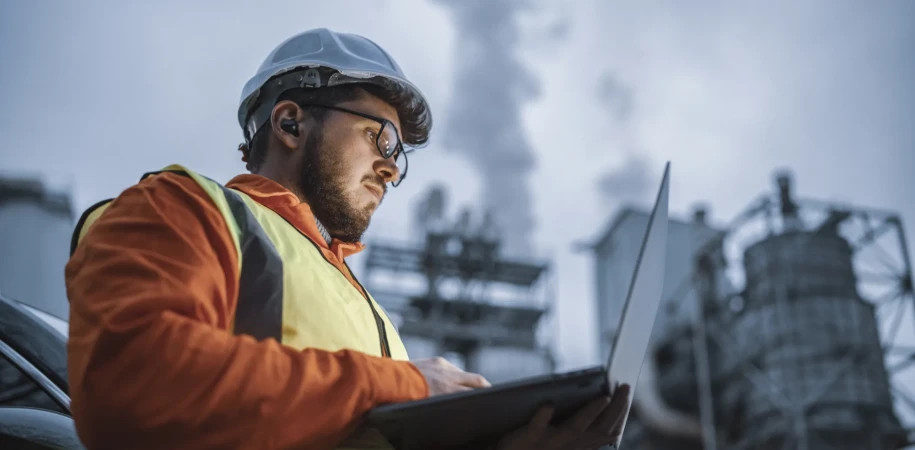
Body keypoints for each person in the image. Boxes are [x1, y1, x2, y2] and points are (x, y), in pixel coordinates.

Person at [65, 28, 630, 449]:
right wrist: (401, 386)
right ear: (290, 124)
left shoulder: (371, 315)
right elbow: (134, 382)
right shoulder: (185, 208)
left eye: (399, 157)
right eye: (378, 138)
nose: (390, 169)